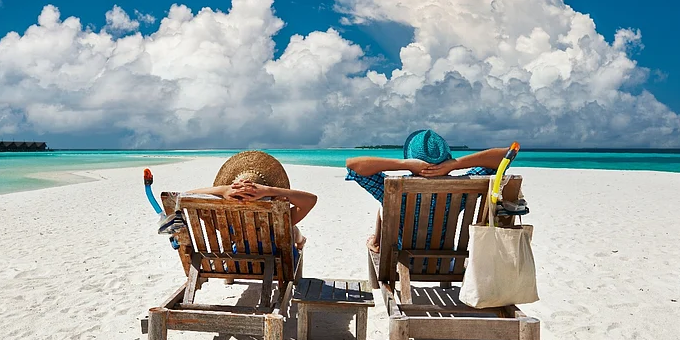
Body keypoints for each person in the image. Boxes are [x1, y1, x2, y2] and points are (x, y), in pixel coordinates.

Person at [346, 129, 511, 254]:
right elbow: (508, 155)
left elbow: (353, 166)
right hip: (444, 261)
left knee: (385, 206)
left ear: (411, 158)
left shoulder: (395, 188)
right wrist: (456, 164)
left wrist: (403, 164)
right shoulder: (462, 189)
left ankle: (376, 242)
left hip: (401, 259)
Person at [188, 150, 317, 249]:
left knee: (291, 228)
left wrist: (223, 189)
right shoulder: (275, 222)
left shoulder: (225, 222)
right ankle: (301, 241)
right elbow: (311, 200)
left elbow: (185, 196)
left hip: (235, 266)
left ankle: (301, 240)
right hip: (277, 267)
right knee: (291, 228)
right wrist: (269, 190)